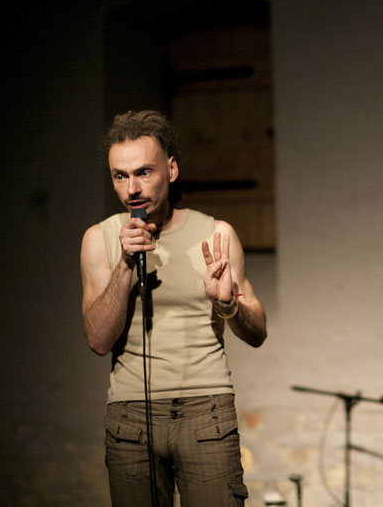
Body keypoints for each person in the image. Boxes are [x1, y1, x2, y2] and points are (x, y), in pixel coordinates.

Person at [80, 110, 267, 506]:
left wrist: (228, 305)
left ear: (172, 169)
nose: (132, 188)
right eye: (120, 176)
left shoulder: (216, 233)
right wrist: (125, 265)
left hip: (206, 412)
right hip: (131, 418)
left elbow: (258, 333)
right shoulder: (100, 238)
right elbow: (98, 340)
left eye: (144, 172)